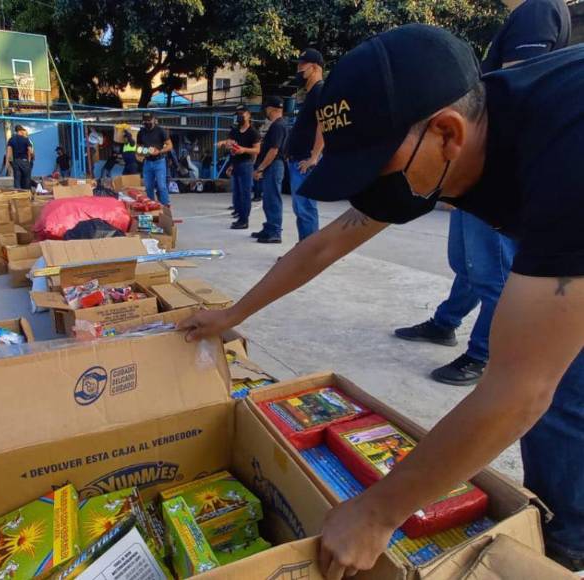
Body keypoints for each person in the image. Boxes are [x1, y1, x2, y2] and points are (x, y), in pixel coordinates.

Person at [179, 24, 584, 574]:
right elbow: (327, 243)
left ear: (447, 134)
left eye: (375, 169)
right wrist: (233, 313)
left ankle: (564, 545)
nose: (368, 191)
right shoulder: (450, 133)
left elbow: (520, 389)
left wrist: (378, 512)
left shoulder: (566, 156)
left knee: (557, 392)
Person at [394, 0, 571, 386]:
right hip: (481, 166)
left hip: (492, 169)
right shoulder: (527, 15)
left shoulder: (536, 10)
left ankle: (483, 354)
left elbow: (520, 94)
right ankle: (446, 322)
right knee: (468, 263)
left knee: (492, 273)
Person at [286, 48, 325, 241]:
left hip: (304, 160)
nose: (299, 69)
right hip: (298, 158)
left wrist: (314, 157)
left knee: (306, 208)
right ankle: (304, 251)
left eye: (302, 65)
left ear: (315, 67)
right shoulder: (310, 94)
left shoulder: (319, 91)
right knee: (301, 208)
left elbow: (323, 124)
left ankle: (308, 256)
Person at [217, 105, 261, 230]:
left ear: (248, 115)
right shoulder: (235, 131)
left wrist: (244, 150)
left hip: (246, 164)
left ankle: (244, 220)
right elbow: (230, 144)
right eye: (238, 113)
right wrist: (225, 144)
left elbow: (257, 150)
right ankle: (239, 216)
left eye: (242, 113)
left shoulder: (253, 132)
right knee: (237, 192)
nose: (239, 116)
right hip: (236, 163)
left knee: (245, 193)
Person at [252, 96, 288, 244]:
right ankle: (269, 228)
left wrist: (260, 168)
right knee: (268, 199)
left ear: (272, 109)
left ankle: (274, 231)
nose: (265, 111)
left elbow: (274, 150)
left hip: (274, 166)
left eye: (266, 108)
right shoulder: (277, 125)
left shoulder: (278, 126)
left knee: (273, 199)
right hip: (272, 166)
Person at [137, 112, 173, 206]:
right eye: (145, 120)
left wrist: (159, 151)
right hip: (147, 162)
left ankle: (165, 207)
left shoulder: (160, 131)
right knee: (148, 187)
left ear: (154, 120)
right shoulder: (141, 132)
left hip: (159, 162)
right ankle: (151, 207)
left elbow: (170, 146)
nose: (147, 122)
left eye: (149, 120)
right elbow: (138, 147)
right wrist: (141, 152)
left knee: (161, 186)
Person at [6, 125, 33, 190]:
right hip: (24, 161)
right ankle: (27, 194)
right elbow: (30, 151)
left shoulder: (11, 139)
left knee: (17, 180)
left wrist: (7, 163)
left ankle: (18, 195)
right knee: (27, 179)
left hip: (16, 161)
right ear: (20, 131)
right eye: (23, 131)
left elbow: (9, 152)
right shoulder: (26, 139)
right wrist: (29, 160)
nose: (24, 132)